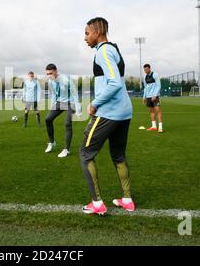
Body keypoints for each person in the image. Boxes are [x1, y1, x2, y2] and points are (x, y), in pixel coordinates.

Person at [80, 17, 135, 215]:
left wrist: (95, 103)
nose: (85, 37)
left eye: (87, 33)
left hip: (109, 113)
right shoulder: (113, 49)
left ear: (97, 32)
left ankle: (97, 203)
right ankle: (127, 200)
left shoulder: (103, 51)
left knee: (85, 154)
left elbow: (114, 83)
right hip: (124, 112)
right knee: (118, 155)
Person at [44, 64, 81, 158]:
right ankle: (52, 142)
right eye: (47, 74)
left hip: (70, 103)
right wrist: (52, 105)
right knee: (48, 119)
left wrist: (78, 110)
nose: (49, 76)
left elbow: (75, 94)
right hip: (60, 103)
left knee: (67, 123)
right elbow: (53, 94)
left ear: (56, 71)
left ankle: (67, 149)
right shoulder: (50, 81)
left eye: (51, 73)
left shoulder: (66, 79)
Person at [142, 64, 163, 133]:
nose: (146, 71)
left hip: (155, 96)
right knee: (151, 111)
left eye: (147, 69)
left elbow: (158, 86)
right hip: (148, 97)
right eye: (144, 70)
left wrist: (155, 95)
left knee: (158, 111)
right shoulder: (145, 77)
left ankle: (160, 127)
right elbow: (145, 87)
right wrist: (144, 97)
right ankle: (154, 126)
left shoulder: (155, 75)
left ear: (149, 68)